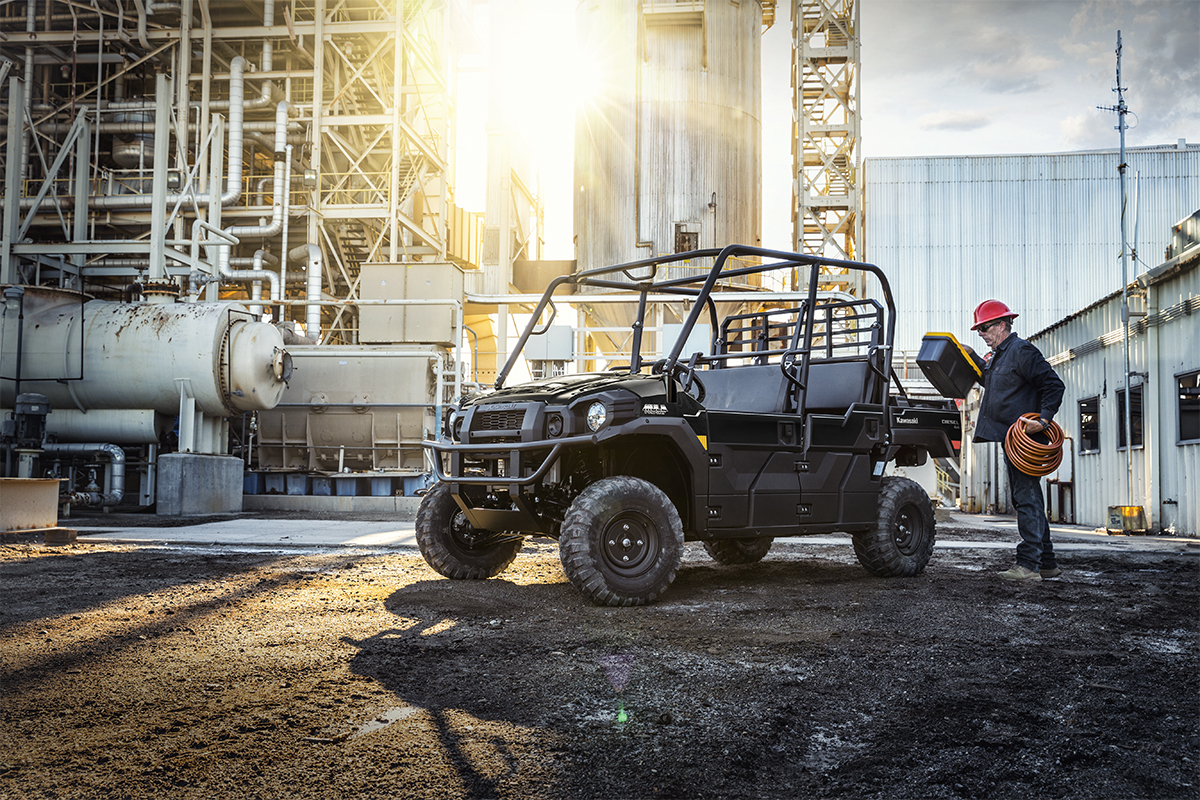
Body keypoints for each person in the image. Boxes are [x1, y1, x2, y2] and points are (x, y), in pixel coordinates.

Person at [968, 300, 1065, 582]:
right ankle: (1046, 563)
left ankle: (1028, 566)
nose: (981, 334)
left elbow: (1054, 385)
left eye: (985, 328)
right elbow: (994, 384)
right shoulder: (998, 357)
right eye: (978, 330)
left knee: (1026, 499)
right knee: (1029, 497)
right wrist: (971, 357)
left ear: (1002, 325)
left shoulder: (1022, 351)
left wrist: (1043, 421)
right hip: (1010, 440)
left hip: (1024, 439)